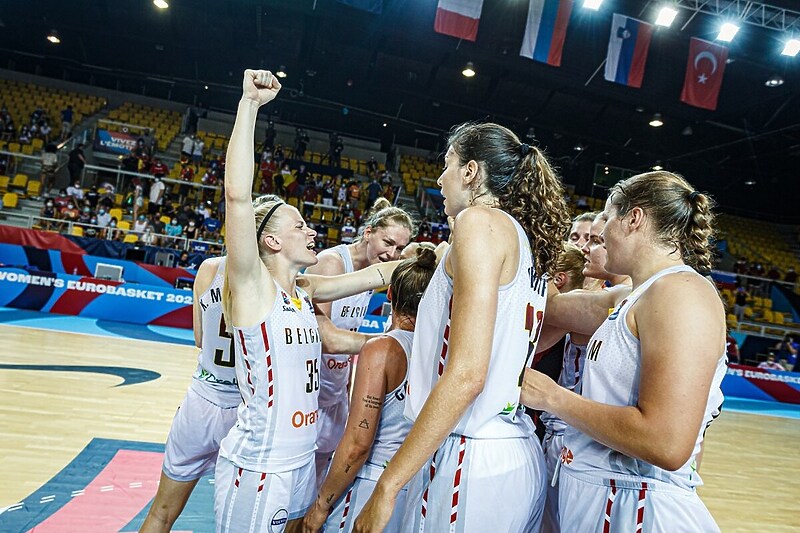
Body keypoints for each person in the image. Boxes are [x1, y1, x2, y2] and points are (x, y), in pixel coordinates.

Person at [354, 122, 571, 532]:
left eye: (447, 163)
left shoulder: (479, 223)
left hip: (470, 453)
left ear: (471, 171)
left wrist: (387, 486)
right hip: (504, 447)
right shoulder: (520, 238)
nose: (439, 177)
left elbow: (468, 374)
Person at [214, 69, 404, 533]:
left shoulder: (303, 290)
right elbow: (238, 198)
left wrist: (437, 257)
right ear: (272, 241)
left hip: (300, 461)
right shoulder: (252, 288)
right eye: (299, 226)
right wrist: (249, 105)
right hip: (261, 466)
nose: (311, 230)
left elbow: (379, 273)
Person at [521, 171, 726, 532]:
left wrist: (554, 397)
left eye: (609, 217)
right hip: (606, 498)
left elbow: (666, 442)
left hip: (640, 506)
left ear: (634, 219)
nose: (601, 234)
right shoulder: (632, 296)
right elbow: (547, 308)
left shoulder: (681, 293)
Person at [303, 245, 437, 533]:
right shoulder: (447, 350)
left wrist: (321, 504)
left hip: (373, 482)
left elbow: (357, 445)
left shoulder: (383, 349)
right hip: (422, 485)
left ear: (389, 295)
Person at [304, 196, 415, 490]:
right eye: (388, 242)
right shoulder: (330, 263)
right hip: (305, 397)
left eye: (399, 248)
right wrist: (387, 345)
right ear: (368, 233)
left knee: (318, 488)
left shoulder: (372, 273)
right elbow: (325, 339)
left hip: (334, 395)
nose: (393, 253)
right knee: (296, 494)